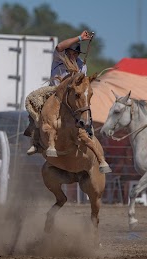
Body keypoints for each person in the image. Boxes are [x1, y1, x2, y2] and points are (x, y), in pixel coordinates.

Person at [24, 30, 112, 174]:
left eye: (75, 53)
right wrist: (79, 38)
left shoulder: (82, 66)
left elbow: (82, 84)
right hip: (54, 91)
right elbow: (59, 47)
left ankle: (87, 131)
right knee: (34, 102)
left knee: (84, 107)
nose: (72, 55)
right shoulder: (59, 57)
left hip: (72, 96)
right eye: (70, 52)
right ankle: (36, 140)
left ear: (78, 54)